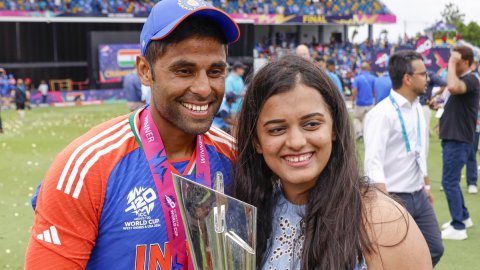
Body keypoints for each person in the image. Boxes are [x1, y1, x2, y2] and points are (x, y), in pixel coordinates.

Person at [25, 0, 240, 268]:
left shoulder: (236, 156)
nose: (204, 88)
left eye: (215, 71)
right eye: (184, 70)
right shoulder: (86, 167)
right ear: (145, 71)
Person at [232, 55, 432, 269]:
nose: (296, 142)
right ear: (257, 142)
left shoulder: (382, 221)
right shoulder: (246, 215)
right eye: (277, 129)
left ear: (334, 128)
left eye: (311, 124)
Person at [364, 51, 444, 266]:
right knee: (391, 256)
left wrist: (426, 186)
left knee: (435, 248)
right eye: (423, 74)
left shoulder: (418, 108)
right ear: (407, 79)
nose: (428, 79)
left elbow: (418, 150)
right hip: (394, 197)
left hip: (418, 194)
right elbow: (373, 162)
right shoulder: (381, 114)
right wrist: (384, 204)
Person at [430, 46, 479, 240]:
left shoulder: (471, 79)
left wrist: (451, 63)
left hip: (458, 139)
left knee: (449, 182)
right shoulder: (468, 79)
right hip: (456, 137)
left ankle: (458, 227)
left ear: (465, 63)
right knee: (452, 180)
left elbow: (452, 86)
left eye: (455, 61)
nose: (450, 64)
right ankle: (464, 217)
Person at [352, 62, 376, 140]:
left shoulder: (357, 78)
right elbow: (375, 91)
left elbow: (354, 90)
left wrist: (353, 100)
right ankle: (367, 133)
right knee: (368, 119)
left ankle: (359, 133)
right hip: (370, 103)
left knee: (357, 118)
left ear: (361, 69)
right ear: (368, 69)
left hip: (360, 103)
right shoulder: (373, 78)